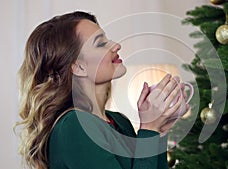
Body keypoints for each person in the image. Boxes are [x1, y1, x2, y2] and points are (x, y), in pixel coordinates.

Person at [16, 11, 190, 169]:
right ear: (78, 67)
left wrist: (159, 130)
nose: (116, 46)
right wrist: (150, 128)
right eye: (100, 44)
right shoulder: (75, 126)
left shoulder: (120, 122)